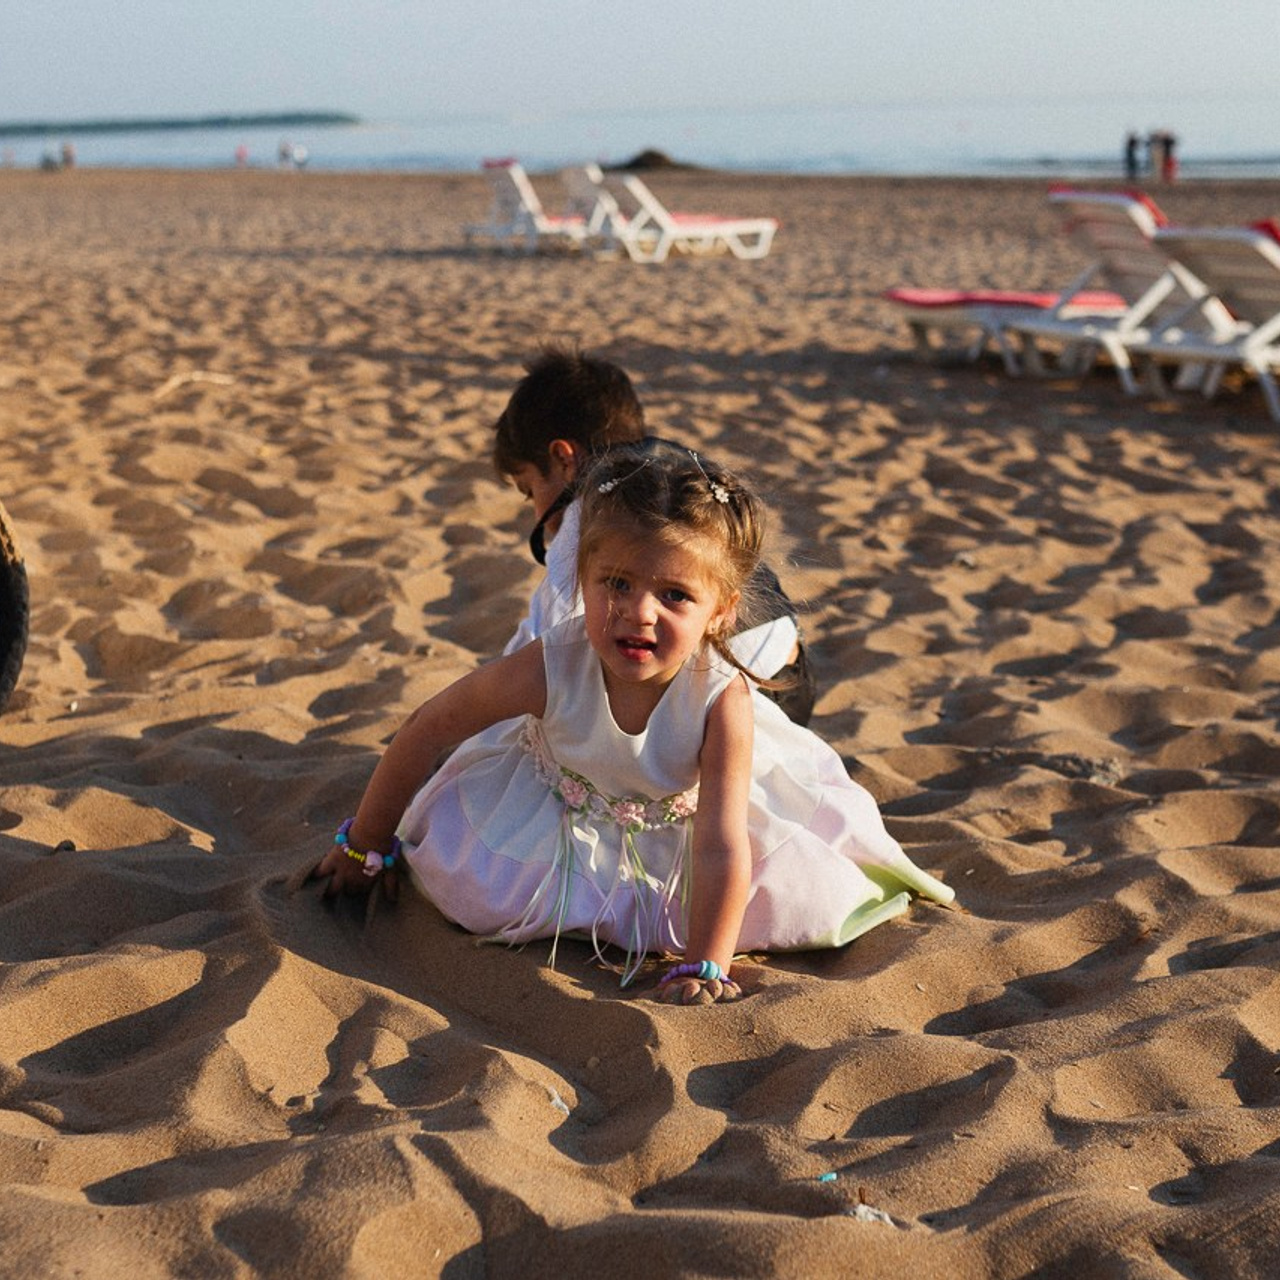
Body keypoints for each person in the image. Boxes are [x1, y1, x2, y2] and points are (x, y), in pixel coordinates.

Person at [313, 446, 955, 1005]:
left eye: (675, 596)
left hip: (685, 835)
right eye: (615, 583)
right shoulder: (553, 662)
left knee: (780, 905)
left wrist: (706, 962)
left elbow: (722, 841)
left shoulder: (719, 698)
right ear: (581, 579)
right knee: (472, 889)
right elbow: (428, 728)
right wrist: (363, 844)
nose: (638, 613)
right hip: (554, 813)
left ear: (720, 614)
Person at [494, 345, 816, 725]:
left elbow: (546, 637)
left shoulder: (595, 509)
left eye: (530, 489)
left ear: (564, 458)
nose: (538, 514)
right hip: (792, 676)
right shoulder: (672, 483)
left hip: (735, 702)